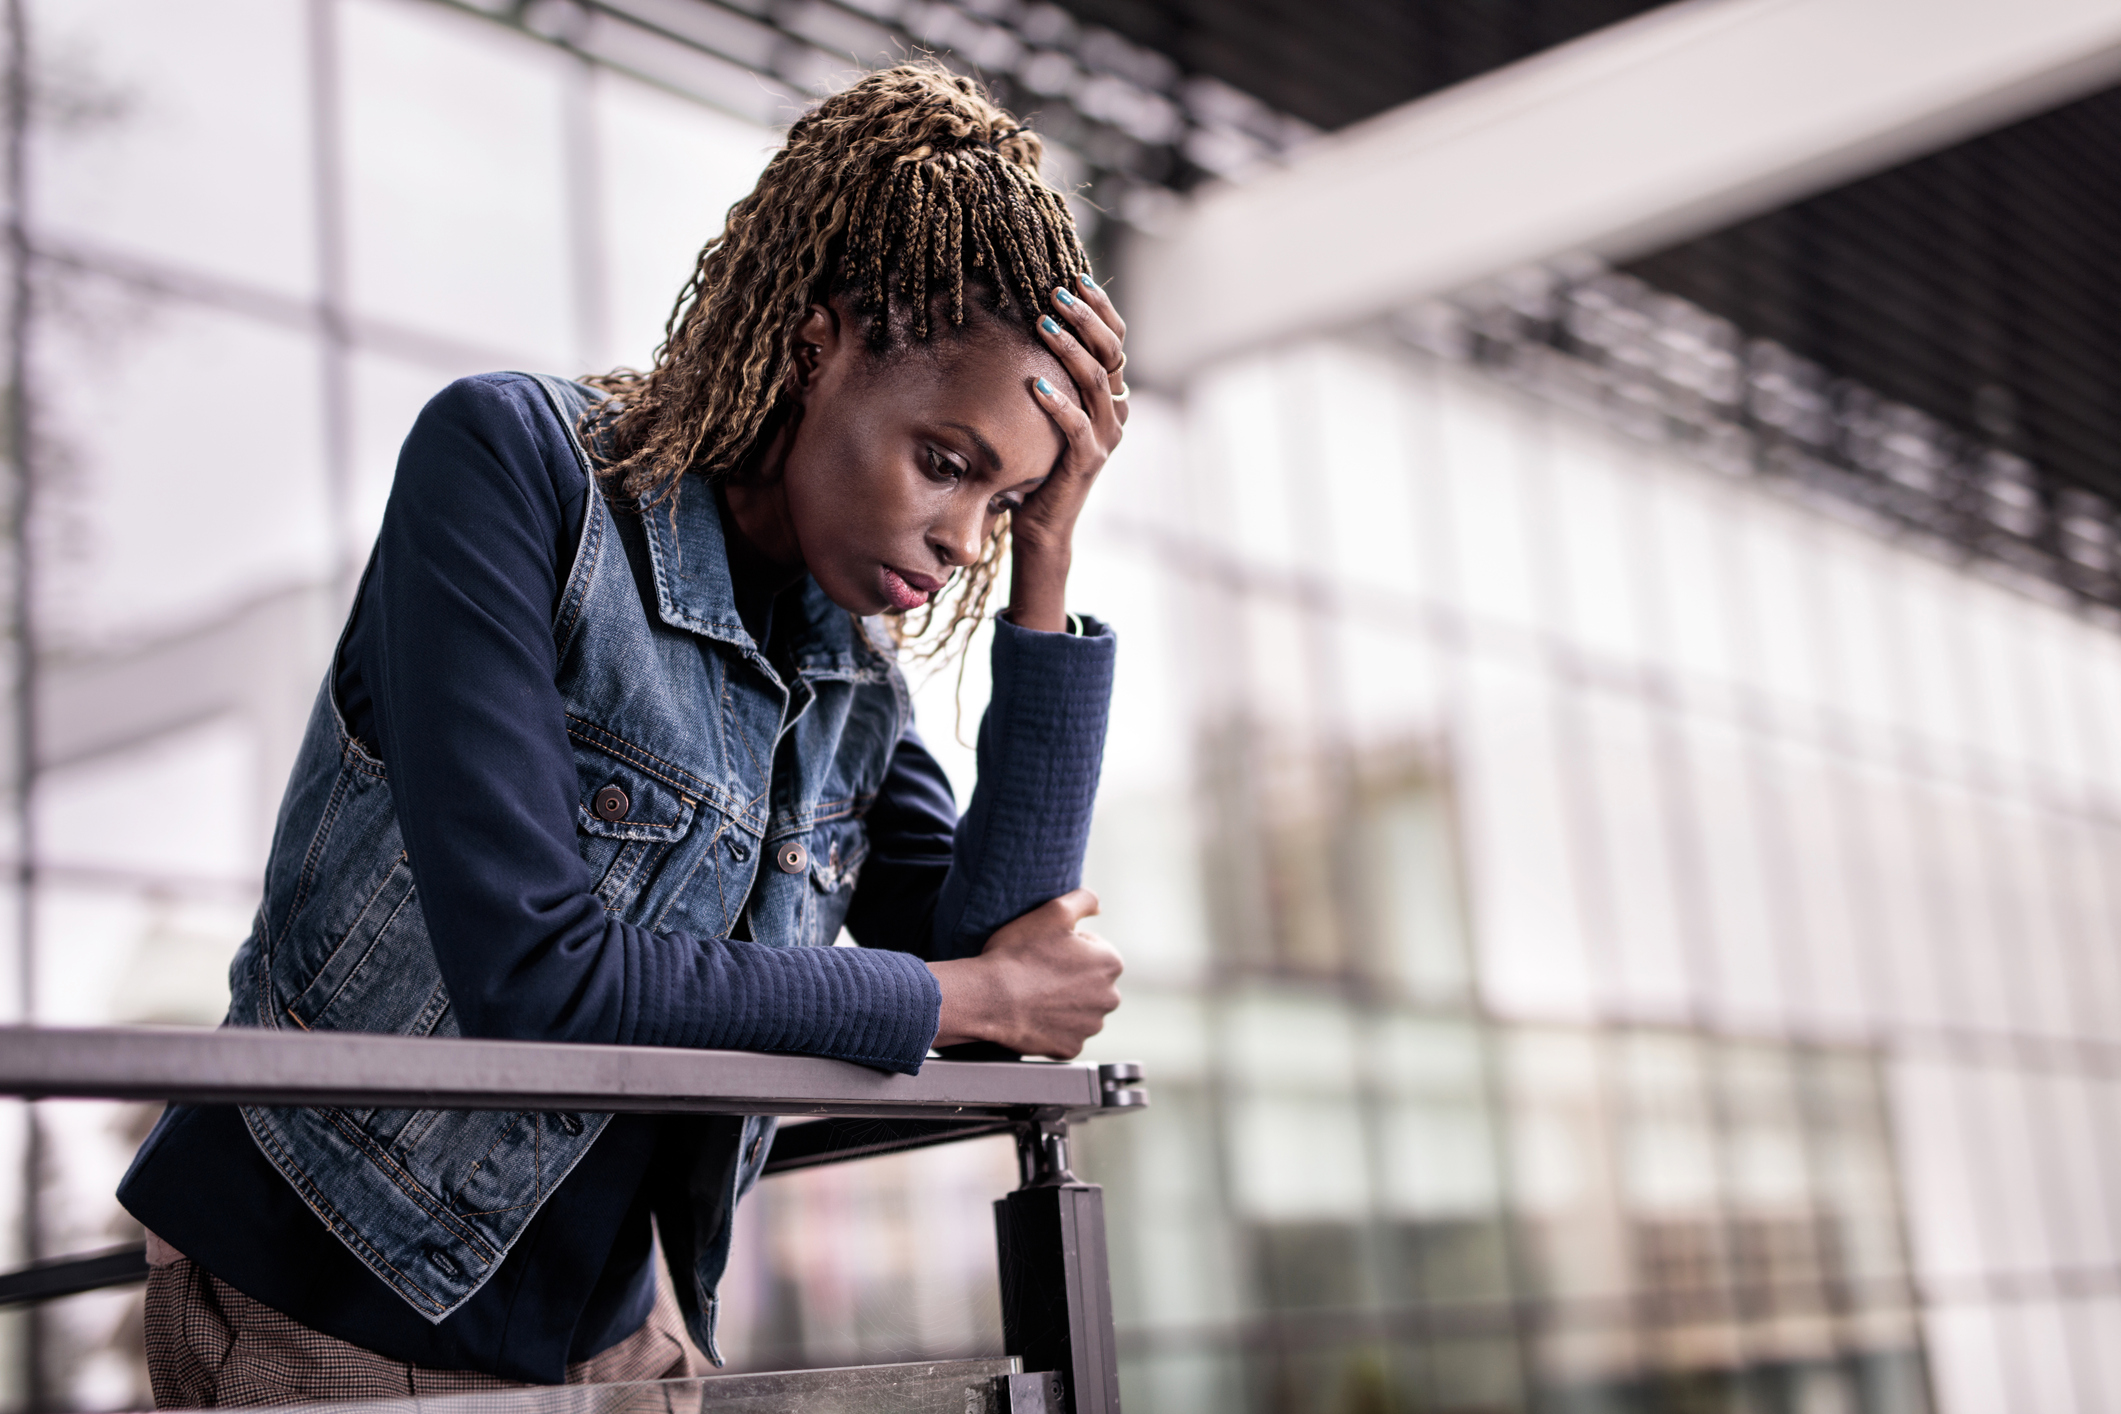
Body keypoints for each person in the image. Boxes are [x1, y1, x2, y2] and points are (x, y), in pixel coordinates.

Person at [116, 62, 1128, 1405]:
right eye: (945, 461)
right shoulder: (514, 470)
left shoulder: (847, 667)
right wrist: (967, 998)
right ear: (813, 346)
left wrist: (1048, 570)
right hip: (329, 1299)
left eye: (1001, 501)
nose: (961, 539)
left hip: (619, 1340)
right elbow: (534, 971)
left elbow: (1004, 991)